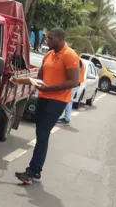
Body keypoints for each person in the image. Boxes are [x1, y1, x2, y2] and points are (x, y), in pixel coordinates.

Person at [16, 28, 80, 184]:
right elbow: (39, 78)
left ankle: (32, 171)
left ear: (59, 38)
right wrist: (18, 80)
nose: (47, 41)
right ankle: (36, 172)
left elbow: (74, 81)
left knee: (43, 134)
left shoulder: (70, 55)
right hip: (43, 98)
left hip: (57, 101)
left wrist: (49, 88)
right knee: (40, 134)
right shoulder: (48, 55)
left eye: (50, 38)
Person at [58, 58, 85, 126]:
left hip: (74, 83)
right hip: (75, 83)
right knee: (69, 100)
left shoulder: (78, 61)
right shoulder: (78, 60)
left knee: (68, 99)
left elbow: (76, 73)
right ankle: (66, 118)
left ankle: (66, 118)